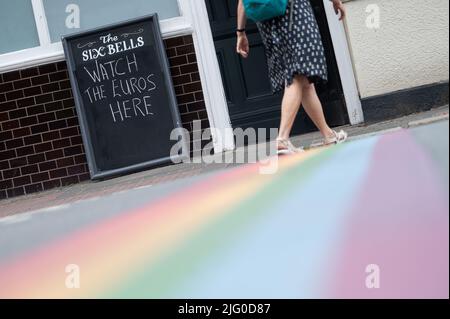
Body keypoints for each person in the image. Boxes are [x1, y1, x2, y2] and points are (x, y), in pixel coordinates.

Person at [236, 0, 348, 154]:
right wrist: (335, 1)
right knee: (297, 76)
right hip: (294, 13)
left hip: (266, 19)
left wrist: (240, 32)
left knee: (305, 81)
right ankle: (282, 139)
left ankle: (328, 135)